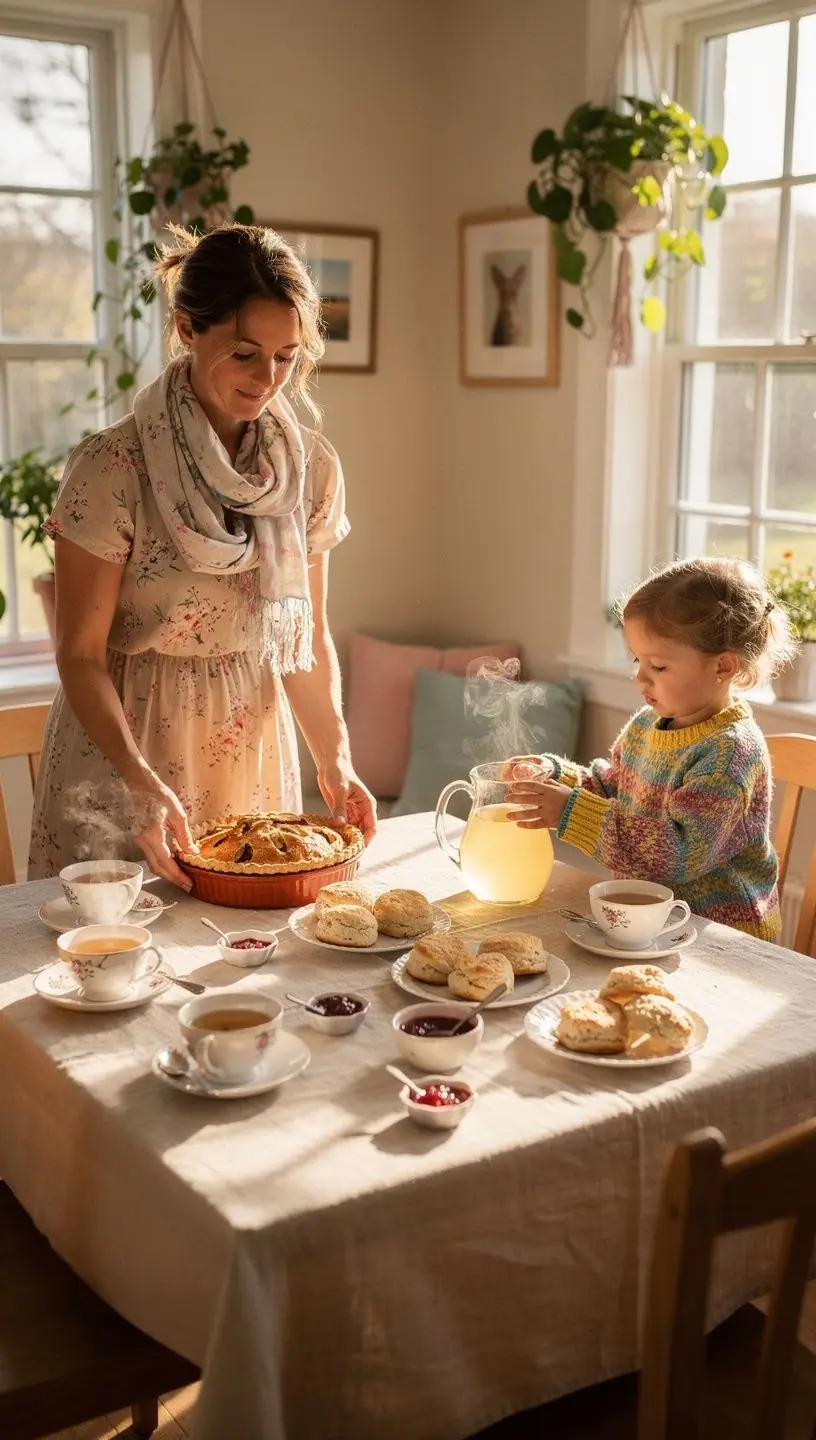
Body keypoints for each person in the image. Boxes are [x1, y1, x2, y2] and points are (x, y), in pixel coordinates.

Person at [29, 223, 376, 887]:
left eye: (285, 356)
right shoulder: (113, 467)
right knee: (106, 972)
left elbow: (303, 641)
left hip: (247, 749)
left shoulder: (311, 472)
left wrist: (335, 758)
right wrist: (139, 784)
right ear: (188, 330)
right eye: (246, 354)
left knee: (239, 970)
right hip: (124, 751)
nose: (268, 379)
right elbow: (79, 654)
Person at [508, 557, 796, 939]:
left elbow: (676, 854)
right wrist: (557, 776)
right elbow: (614, 788)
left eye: (658, 666)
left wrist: (569, 811)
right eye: (637, 660)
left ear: (722, 668)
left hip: (721, 937)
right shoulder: (647, 724)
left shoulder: (730, 754)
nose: (639, 677)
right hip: (654, 921)